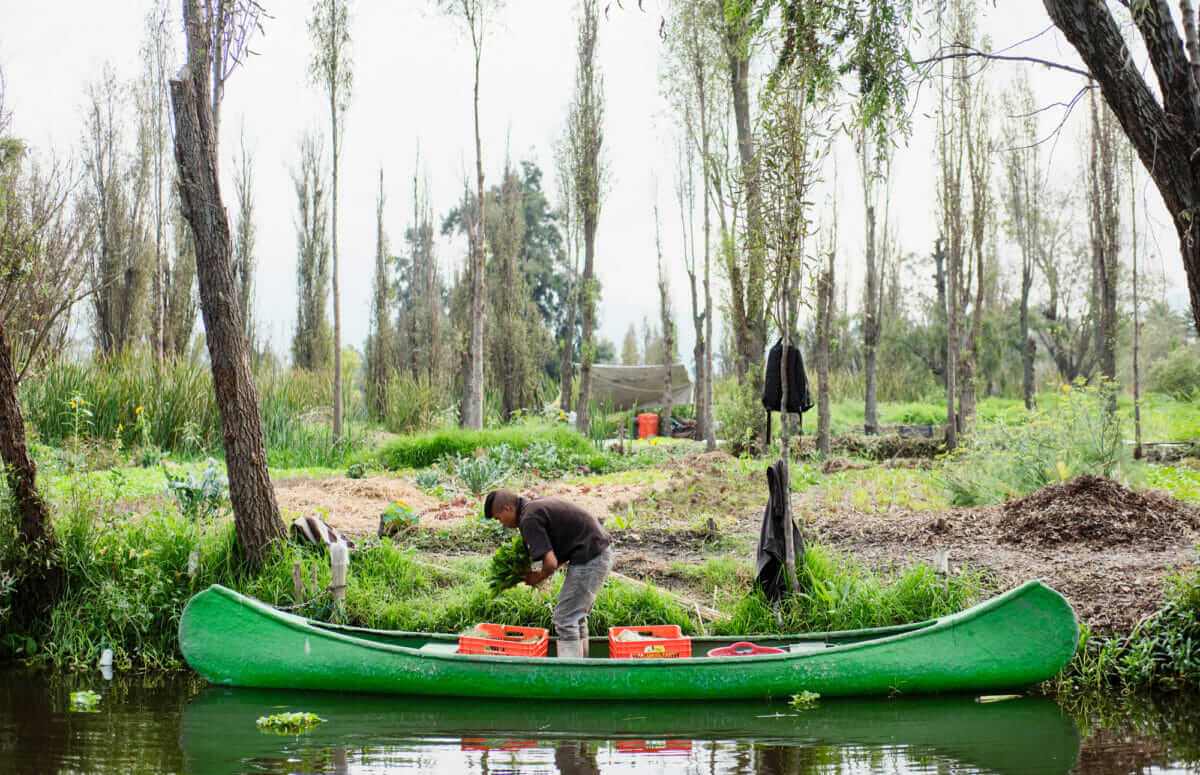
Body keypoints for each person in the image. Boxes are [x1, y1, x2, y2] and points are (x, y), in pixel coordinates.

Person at [484, 488, 613, 659]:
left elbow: (550, 563)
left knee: (565, 618)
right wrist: (543, 572)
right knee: (576, 617)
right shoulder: (534, 506)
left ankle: (571, 676)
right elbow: (556, 554)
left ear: (508, 508)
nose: (502, 524)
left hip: (591, 555)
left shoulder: (528, 519)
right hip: (597, 551)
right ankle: (581, 669)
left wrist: (537, 576)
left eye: (499, 518)